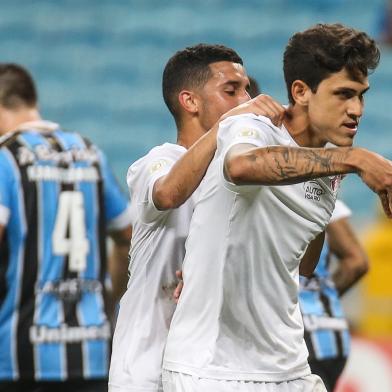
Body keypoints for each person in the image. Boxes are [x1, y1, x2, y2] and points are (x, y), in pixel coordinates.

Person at [162, 23, 392, 392]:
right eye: (344, 94)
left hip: (288, 364)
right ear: (300, 91)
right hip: (212, 368)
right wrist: (352, 160)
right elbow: (241, 166)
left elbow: (304, 264)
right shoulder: (253, 126)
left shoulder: (327, 165)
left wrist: (336, 173)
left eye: (362, 96)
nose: (356, 110)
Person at [108, 43, 287, 392]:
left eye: (247, 89)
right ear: (189, 101)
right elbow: (168, 193)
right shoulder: (158, 161)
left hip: (209, 370)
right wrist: (230, 123)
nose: (246, 99)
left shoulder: (236, 180)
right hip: (147, 369)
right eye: (231, 90)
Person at [0, 64, 133, 392]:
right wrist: (107, 298)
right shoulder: (89, 152)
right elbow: (127, 235)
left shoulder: (5, 158)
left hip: (19, 356)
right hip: (92, 350)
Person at [299, 200, 369, 391]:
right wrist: (321, 300)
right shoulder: (320, 192)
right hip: (331, 333)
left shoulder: (273, 189)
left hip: (299, 338)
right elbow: (357, 261)